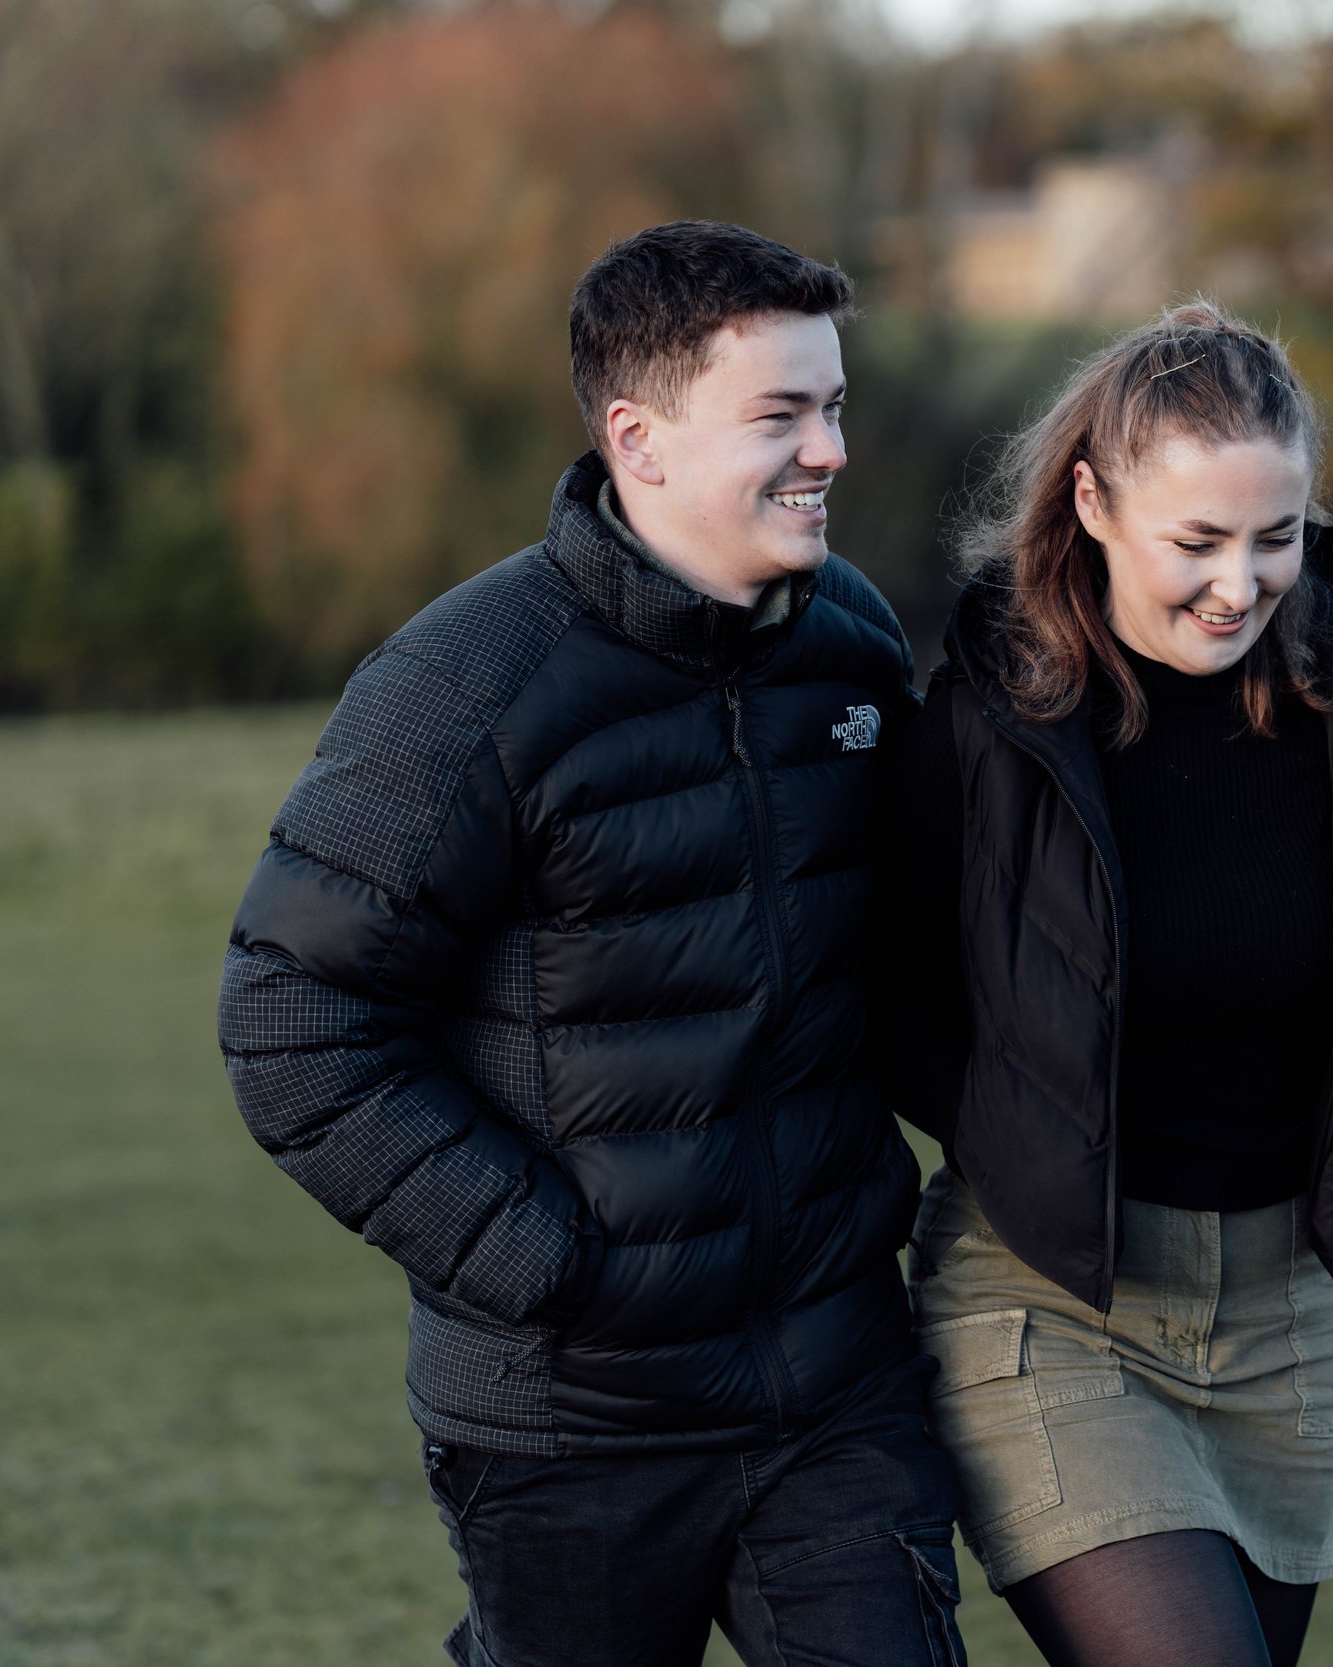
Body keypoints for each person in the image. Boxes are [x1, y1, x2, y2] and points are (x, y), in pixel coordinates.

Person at [217, 220, 966, 1667]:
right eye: (781, 415)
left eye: (834, 406)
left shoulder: (853, 644)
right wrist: (551, 1264)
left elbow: (916, 954)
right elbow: (292, 1018)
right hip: (572, 1424)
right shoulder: (464, 684)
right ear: (639, 437)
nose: (830, 450)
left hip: (835, 1389)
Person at [878, 301, 1333, 1667]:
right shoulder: (983, 728)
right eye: (1196, 543)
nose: (1239, 586)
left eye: (1276, 538)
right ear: (1091, 504)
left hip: (1287, 1323)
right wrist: (1027, 1135)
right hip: (1052, 1308)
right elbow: (891, 993)